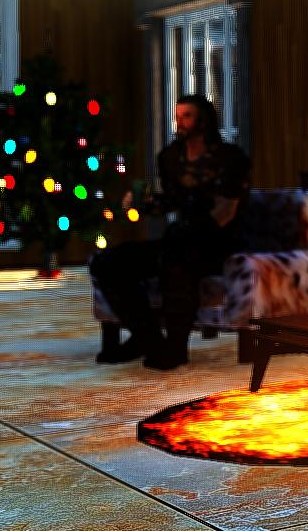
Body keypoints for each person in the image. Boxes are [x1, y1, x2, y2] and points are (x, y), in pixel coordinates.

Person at [90, 95, 250, 370]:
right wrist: (143, 204)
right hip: (177, 240)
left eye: (187, 116)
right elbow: (171, 202)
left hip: (218, 244)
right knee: (107, 263)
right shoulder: (171, 157)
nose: (180, 122)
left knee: (176, 260)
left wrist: (189, 232)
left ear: (204, 120)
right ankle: (148, 339)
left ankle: (175, 348)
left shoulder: (230, 158)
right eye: (178, 116)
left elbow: (226, 212)